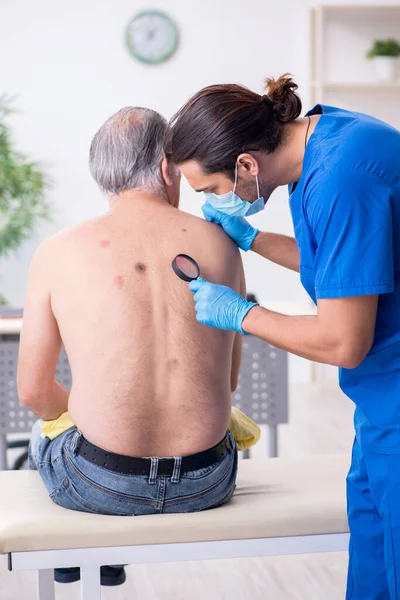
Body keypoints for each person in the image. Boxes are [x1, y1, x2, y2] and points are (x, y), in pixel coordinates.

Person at [165, 74, 400, 599]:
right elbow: (343, 267)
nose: (213, 202)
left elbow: (344, 342)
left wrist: (243, 314)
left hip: (395, 398)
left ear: (246, 164)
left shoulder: (343, 177)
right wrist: (254, 239)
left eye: (212, 190)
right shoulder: (324, 141)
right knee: (373, 568)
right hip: (381, 405)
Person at [17, 106, 244, 586]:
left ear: (104, 175)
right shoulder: (222, 245)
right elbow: (228, 381)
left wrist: (104, 413)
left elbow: (34, 393)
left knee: (43, 438)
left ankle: (88, 544)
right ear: (167, 167)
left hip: (98, 481)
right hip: (207, 480)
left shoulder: (58, 251)